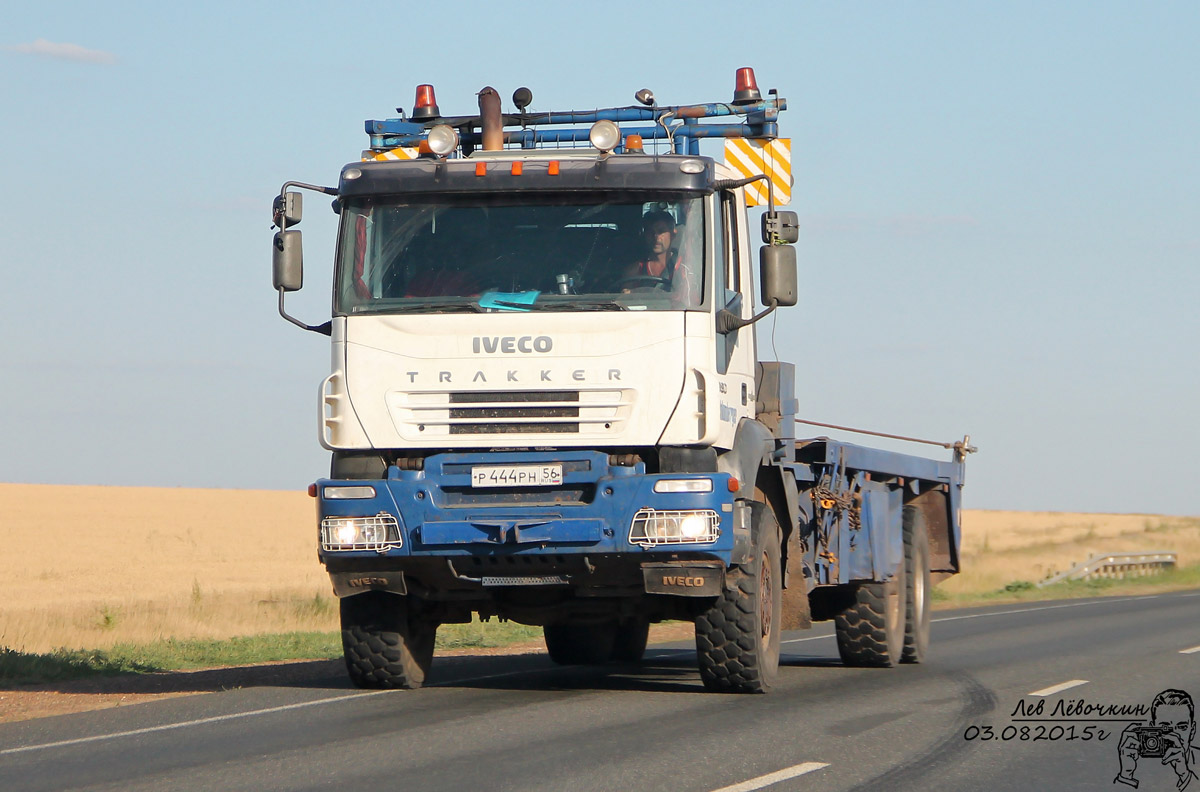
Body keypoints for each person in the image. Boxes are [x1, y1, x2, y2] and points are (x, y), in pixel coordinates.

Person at [1116, 688, 1197, 790]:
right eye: (1164, 728)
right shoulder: (1136, 760)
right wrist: (1126, 775)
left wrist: (1184, 774)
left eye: (1182, 727)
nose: (1174, 736)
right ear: (1152, 728)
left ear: (1193, 730)